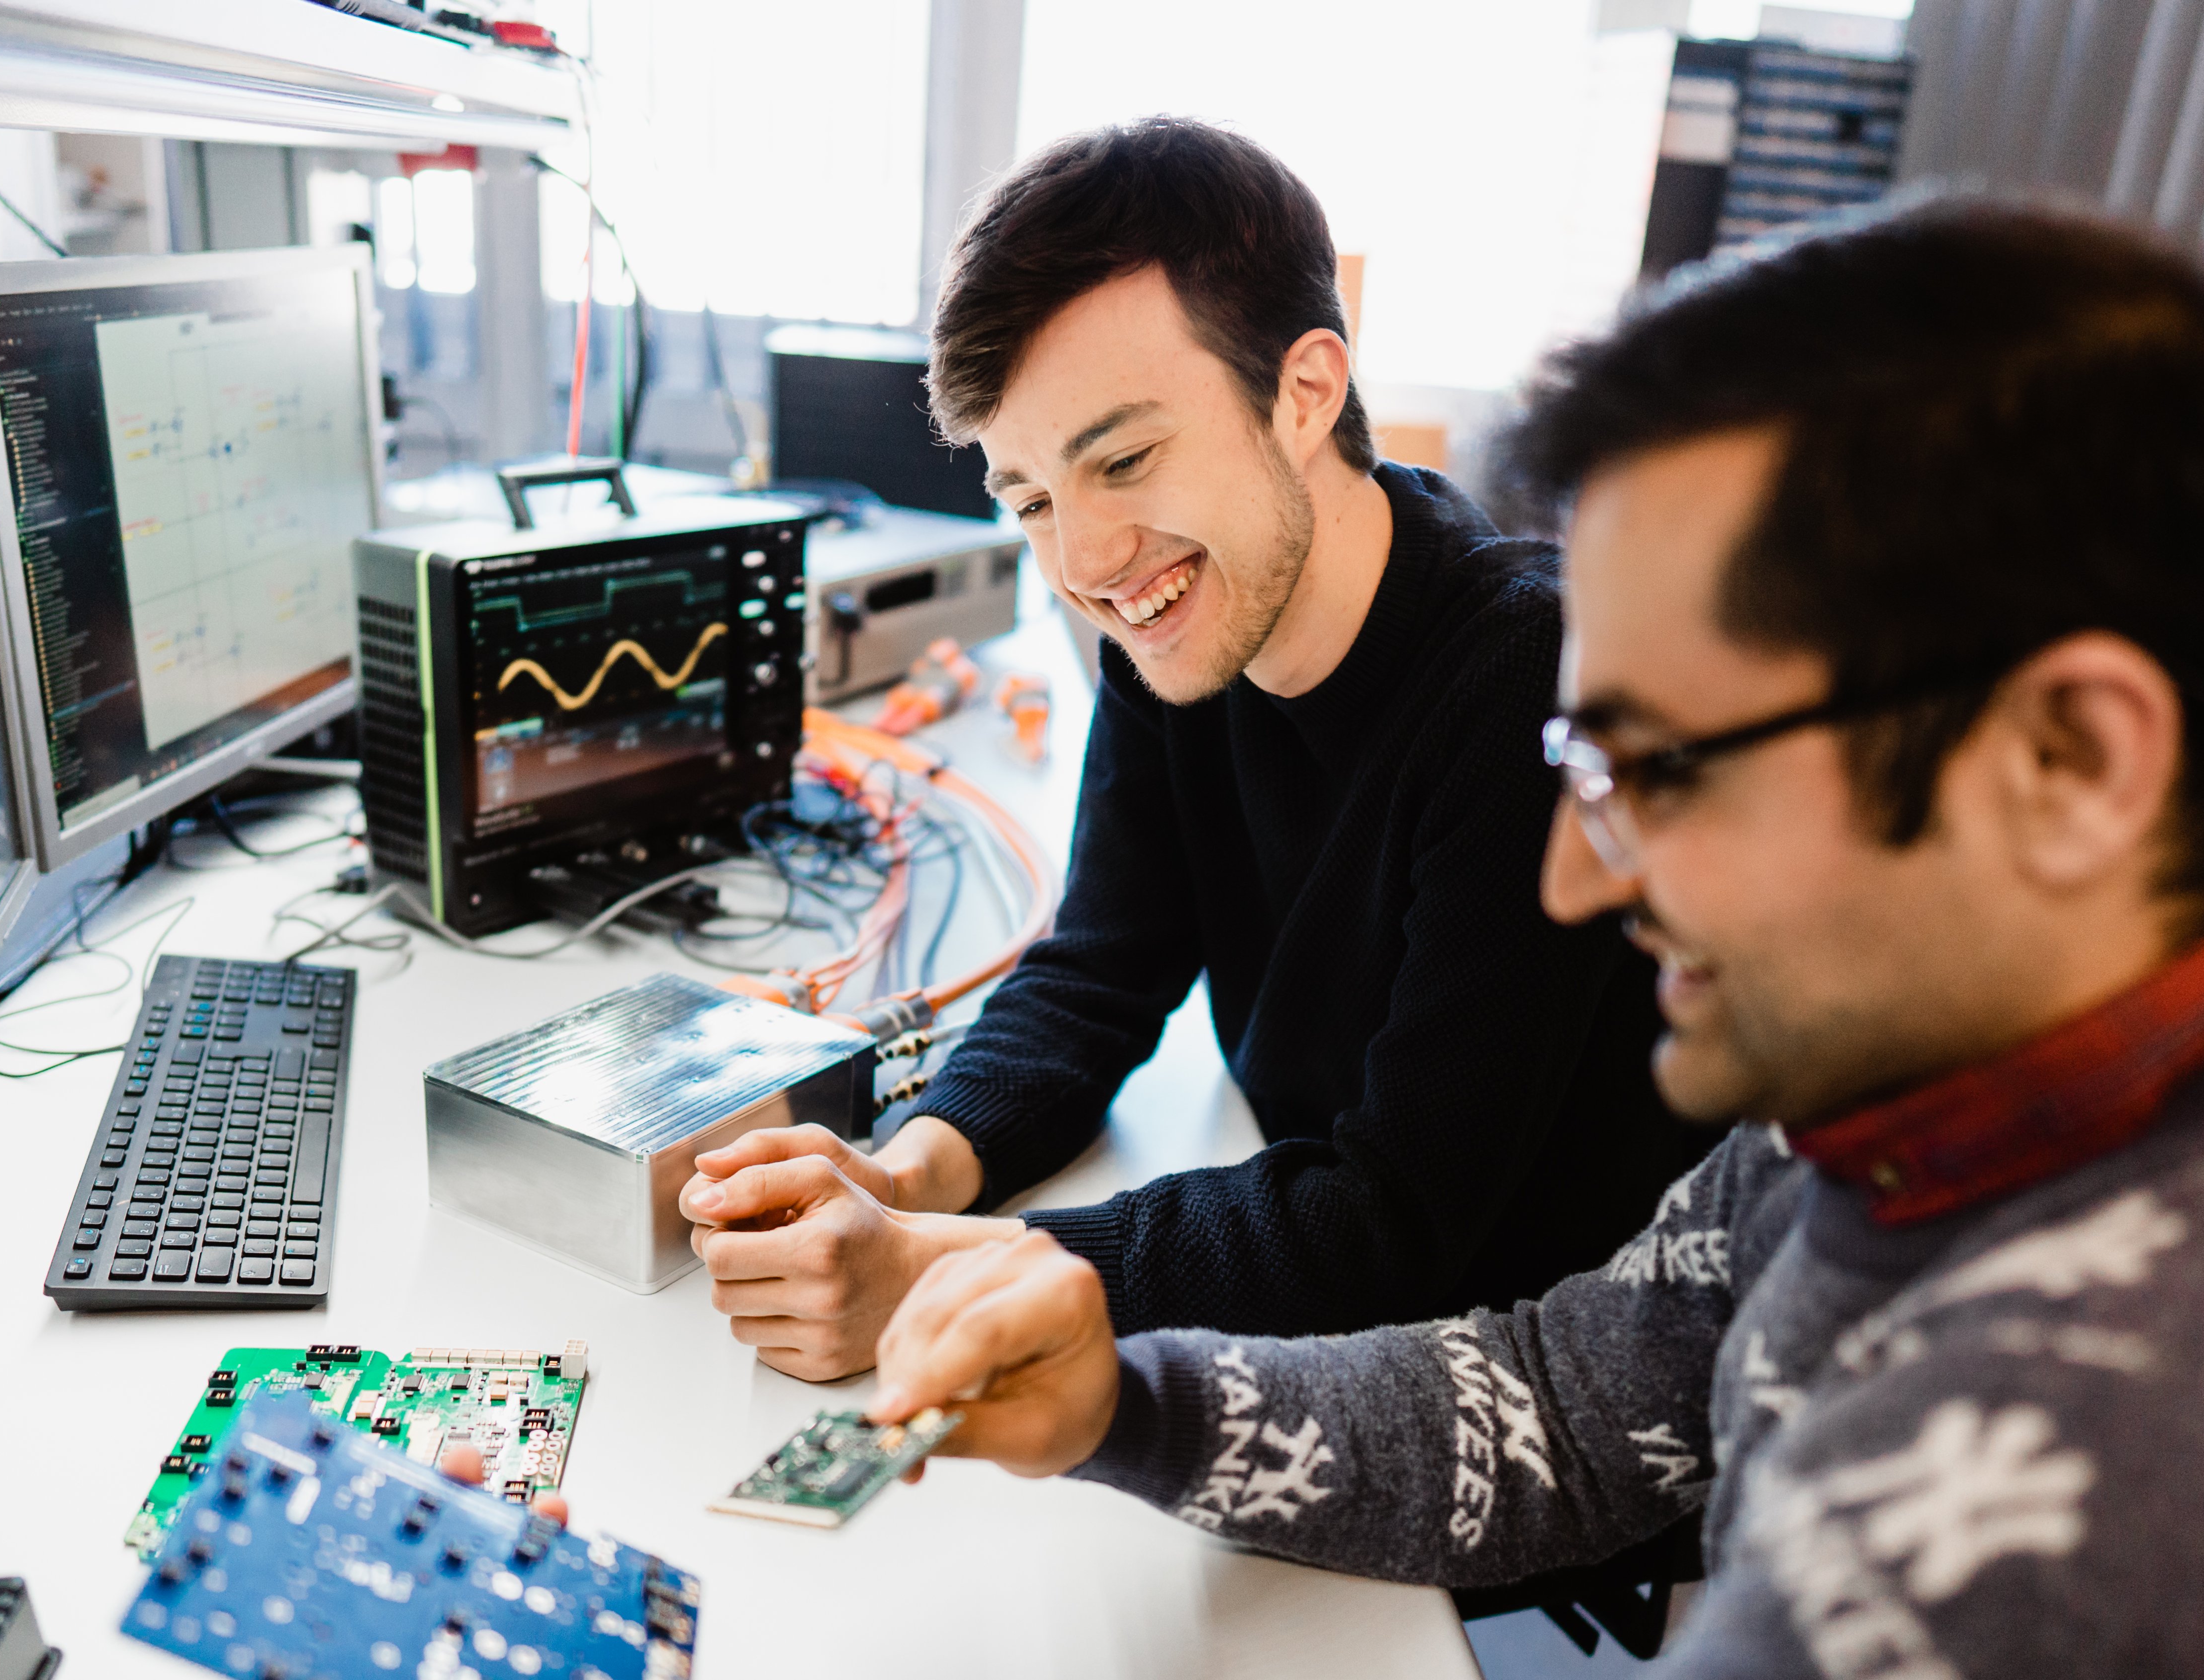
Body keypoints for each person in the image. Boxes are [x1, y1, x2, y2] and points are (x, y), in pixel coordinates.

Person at [862, 196, 2204, 1674]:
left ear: (2073, 761)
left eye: (1662, 769)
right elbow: (1600, 1390)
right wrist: (1126, 1402)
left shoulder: (2058, 1528)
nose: (1581, 884)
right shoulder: (2131, 1051)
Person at [679, 119, 1699, 1381]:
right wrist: (907, 1171)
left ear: (1305, 391)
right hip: (1330, 1255)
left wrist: (932, 1271)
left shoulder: (1521, 677)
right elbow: (1099, 969)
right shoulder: (1181, 632)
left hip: (1502, 1366)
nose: (1087, 564)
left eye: (1125, 458)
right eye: (1034, 500)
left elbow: (1390, 1222)